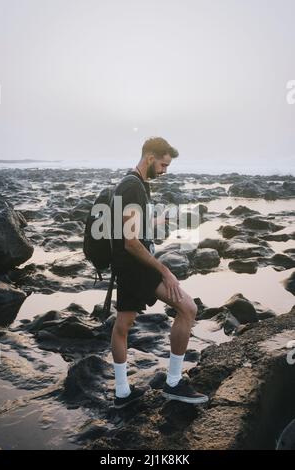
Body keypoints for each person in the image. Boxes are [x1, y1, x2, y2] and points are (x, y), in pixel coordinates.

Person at [111, 137, 209, 409]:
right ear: (150, 157)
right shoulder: (133, 186)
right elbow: (131, 242)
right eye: (164, 164)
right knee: (188, 308)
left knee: (122, 327)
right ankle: (174, 384)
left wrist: (159, 219)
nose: (165, 171)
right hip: (135, 267)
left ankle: (122, 393)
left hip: (126, 266)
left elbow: (130, 225)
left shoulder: (134, 183)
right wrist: (165, 270)